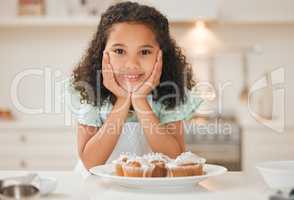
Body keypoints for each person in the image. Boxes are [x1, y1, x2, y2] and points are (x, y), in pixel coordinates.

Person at [65, 1, 203, 177]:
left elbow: (174, 158)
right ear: (102, 53)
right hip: (96, 188)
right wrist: (122, 100)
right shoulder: (89, 92)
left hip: (148, 189)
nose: (131, 65)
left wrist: (139, 100)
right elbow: (91, 163)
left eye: (144, 52)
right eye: (119, 51)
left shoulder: (169, 93)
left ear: (161, 55)